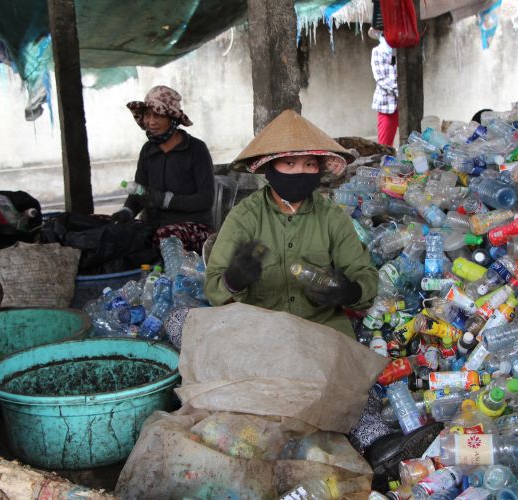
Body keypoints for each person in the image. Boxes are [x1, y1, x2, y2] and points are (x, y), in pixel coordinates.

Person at [203, 110, 378, 336]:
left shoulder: (331, 217)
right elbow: (212, 290)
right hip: (259, 333)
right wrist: (233, 280)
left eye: (310, 164)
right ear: (270, 169)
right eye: (289, 163)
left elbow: (364, 273)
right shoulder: (244, 217)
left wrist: (351, 292)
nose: (300, 172)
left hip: (322, 330)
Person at [111, 85, 215, 254]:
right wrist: (127, 211)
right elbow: (139, 191)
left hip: (196, 228)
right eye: (147, 115)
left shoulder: (196, 149)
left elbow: (205, 199)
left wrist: (165, 200)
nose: (151, 122)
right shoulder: (148, 151)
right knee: (114, 232)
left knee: (164, 238)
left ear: (173, 118)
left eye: (158, 115)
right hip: (155, 225)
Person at [370, 30, 398, 147]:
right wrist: (400, 91)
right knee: (385, 145)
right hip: (387, 104)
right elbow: (381, 79)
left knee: (412, 140)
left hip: (404, 104)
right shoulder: (377, 51)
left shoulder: (399, 50)